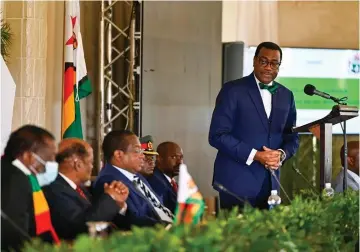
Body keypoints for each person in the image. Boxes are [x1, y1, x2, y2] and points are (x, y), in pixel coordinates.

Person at [209, 42, 299, 210]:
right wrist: (256, 155)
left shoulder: (287, 95)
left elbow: (292, 137)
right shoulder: (233, 90)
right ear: (255, 61)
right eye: (264, 61)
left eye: (274, 63)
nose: (268, 67)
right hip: (235, 183)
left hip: (271, 185)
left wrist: (281, 154)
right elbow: (217, 135)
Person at [43, 138, 129, 241]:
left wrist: (118, 204)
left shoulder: (81, 189)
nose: (92, 167)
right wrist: (110, 197)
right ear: (78, 165)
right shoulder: (54, 190)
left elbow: (101, 216)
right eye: (91, 162)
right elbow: (82, 228)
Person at [93, 130, 174, 229]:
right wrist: (168, 227)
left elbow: (158, 206)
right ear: (119, 155)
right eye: (137, 151)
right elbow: (131, 220)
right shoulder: (109, 181)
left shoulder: (136, 175)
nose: (143, 156)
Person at [1, 125, 60, 251]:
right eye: (50, 157)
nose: (54, 162)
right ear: (28, 156)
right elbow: (12, 235)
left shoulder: (9, 171)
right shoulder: (16, 179)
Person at [147, 141, 183, 213]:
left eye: (181, 157)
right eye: (174, 157)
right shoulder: (155, 183)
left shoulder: (171, 182)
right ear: (159, 158)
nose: (180, 162)